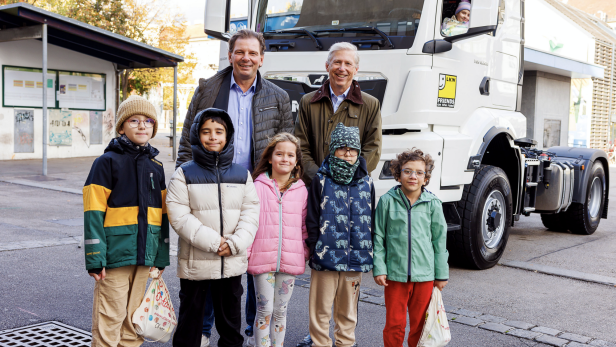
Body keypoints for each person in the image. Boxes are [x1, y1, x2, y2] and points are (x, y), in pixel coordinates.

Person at [175, 29, 293, 346]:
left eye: (253, 53)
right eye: (240, 52)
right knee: (209, 258)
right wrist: (183, 178)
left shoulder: (278, 98)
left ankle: (254, 331)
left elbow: (286, 146)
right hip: (207, 184)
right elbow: (188, 139)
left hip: (253, 189)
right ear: (230, 56)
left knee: (252, 264)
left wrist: (280, 187)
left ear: (261, 58)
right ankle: (202, 330)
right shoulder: (207, 89)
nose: (246, 58)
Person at [166, 108, 260, 347]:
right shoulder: (184, 174)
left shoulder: (241, 174)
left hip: (231, 260)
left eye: (219, 131)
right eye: (206, 131)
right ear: (198, 136)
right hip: (196, 262)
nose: (213, 137)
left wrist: (234, 243)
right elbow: (178, 214)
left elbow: (251, 212)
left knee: (230, 326)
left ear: (228, 136)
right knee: (190, 323)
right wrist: (214, 242)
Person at [83, 95, 170, 347]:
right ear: (121, 126)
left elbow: (161, 215)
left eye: (148, 121)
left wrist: (160, 256)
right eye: (134, 120)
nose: (142, 126)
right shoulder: (105, 163)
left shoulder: (156, 166)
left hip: (145, 257)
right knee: (109, 319)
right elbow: (93, 214)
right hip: (114, 257)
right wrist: (95, 258)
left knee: (134, 321)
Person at [305, 123, 375, 347]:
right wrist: (314, 249)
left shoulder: (367, 182)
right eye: (342, 147)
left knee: (348, 309)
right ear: (333, 149)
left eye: (353, 148)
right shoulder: (321, 180)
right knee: (321, 308)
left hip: (355, 258)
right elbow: (313, 218)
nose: (348, 153)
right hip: (325, 256)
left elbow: (371, 218)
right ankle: (320, 343)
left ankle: (345, 342)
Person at [372, 148, 449, 347]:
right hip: (395, 277)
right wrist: (379, 268)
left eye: (419, 172)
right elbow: (378, 237)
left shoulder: (433, 204)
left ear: (426, 177)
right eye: (407, 171)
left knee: (420, 326)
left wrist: (441, 274)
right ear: (398, 174)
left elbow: (439, 241)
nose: (413, 176)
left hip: (425, 277)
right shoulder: (387, 201)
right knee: (394, 324)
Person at [247, 132, 309, 347]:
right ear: (270, 158)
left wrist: (304, 251)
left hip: (290, 260)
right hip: (262, 259)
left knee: (281, 311)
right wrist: (246, 253)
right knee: (264, 310)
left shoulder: (302, 191)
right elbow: (249, 223)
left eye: (290, 155)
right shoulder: (256, 187)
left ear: (296, 161)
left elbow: (304, 226)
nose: (285, 159)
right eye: (280, 154)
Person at [294, 42, 382, 188]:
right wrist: (320, 178)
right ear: (327, 66)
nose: (342, 68)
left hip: (354, 189)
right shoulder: (308, 102)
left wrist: (347, 178)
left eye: (348, 63)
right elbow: (300, 147)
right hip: (316, 188)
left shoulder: (371, 104)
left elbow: (373, 148)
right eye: (337, 62)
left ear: (356, 69)